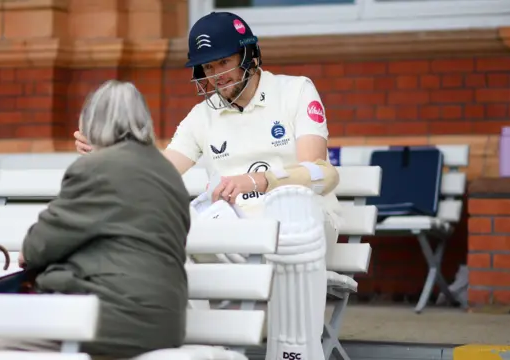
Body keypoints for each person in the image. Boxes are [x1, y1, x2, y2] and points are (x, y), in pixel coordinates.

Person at [74, 11, 341, 360]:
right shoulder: (203, 115)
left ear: (248, 55)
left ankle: (291, 352)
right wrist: (111, 153)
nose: (215, 76)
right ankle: (197, 349)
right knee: (168, 232)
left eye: (223, 63)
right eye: (207, 68)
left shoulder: (295, 90)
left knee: (289, 206)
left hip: (304, 227)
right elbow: (158, 171)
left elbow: (319, 171)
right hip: (236, 236)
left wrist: (259, 181)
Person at [0, 80, 190, 359]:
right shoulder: (168, 173)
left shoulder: (96, 168)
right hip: (166, 324)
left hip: (113, 316)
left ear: (92, 122)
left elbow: (37, 247)